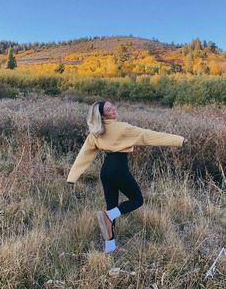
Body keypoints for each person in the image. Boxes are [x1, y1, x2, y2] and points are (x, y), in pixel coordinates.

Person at [67, 100, 188, 253]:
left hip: (106, 171)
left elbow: (84, 155)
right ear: (103, 115)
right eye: (110, 109)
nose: (114, 109)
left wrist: (72, 177)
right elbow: (148, 136)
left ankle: (109, 248)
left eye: (112, 106)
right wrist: (179, 140)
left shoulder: (96, 132)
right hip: (118, 169)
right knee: (137, 200)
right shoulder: (122, 128)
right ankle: (107, 216)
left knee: (112, 207)